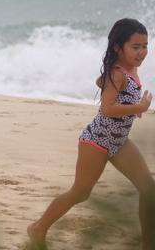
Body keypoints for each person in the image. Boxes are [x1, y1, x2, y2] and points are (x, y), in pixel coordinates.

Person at [28, 18, 154, 249]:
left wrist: (127, 104)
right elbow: (107, 109)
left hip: (119, 142)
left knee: (149, 189)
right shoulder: (118, 73)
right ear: (118, 47)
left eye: (145, 46)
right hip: (96, 142)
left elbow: (102, 84)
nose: (142, 52)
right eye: (135, 47)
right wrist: (139, 108)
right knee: (80, 193)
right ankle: (38, 228)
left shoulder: (128, 68)